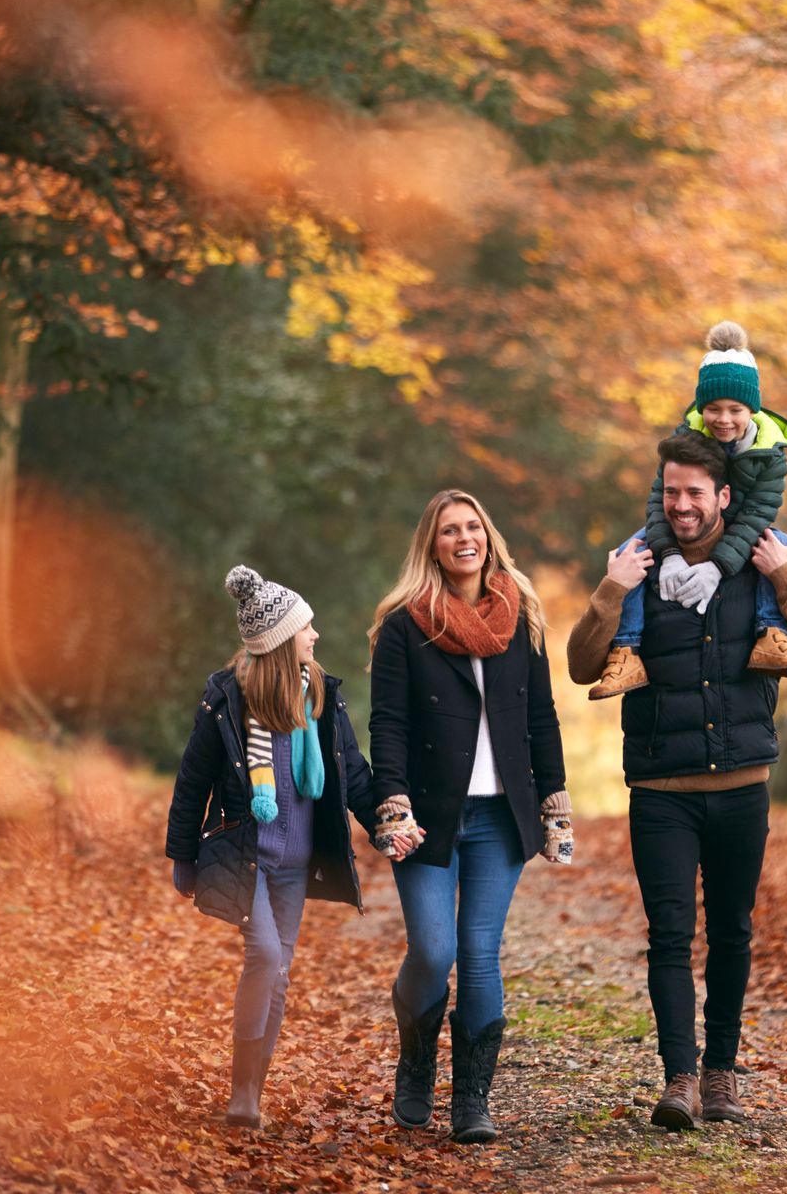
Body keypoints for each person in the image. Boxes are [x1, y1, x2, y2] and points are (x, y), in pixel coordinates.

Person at [566, 432, 787, 1131]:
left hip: (742, 787)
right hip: (662, 792)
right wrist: (611, 587)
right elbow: (578, 665)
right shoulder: (638, 567)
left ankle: (721, 1074)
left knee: (732, 934)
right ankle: (680, 1080)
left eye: (695, 492)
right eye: (672, 491)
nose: (682, 504)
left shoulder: (758, 565)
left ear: (724, 496)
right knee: (668, 937)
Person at [163, 566, 404, 1129]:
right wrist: (182, 854)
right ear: (278, 642)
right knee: (264, 957)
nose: (315, 636)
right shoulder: (228, 703)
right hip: (249, 859)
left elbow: (355, 777)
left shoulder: (319, 697)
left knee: (281, 971)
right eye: (306, 628)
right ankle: (241, 1090)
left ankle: (252, 1090)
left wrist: (385, 826)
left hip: (297, 865)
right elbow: (192, 780)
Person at [366, 489, 571, 1144]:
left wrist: (554, 800)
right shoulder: (405, 624)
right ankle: (417, 1061)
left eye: (473, 527)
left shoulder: (522, 615)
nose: (465, 539)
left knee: (481, 953)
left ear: (488, 536)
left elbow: (541, 717)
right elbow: (388, 722)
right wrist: (392, 801)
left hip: (501, 816)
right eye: (450, 530)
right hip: (428, 814)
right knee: (434, 947)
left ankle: (473, 1100)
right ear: (432, 544)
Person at [589, 320, 787, 701]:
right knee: (632, 552)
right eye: (713, 408)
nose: (723, 420)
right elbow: (659, 504)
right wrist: (671, 555)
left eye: (735, 409)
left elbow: (759, 513)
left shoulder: (770, 456)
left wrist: (718, 566)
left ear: (751, 410)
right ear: (701, 408)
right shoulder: (684, 443)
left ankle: (772, 633)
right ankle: (626, 649)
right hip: (688, 528)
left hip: (742, 526)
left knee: (776, 547)